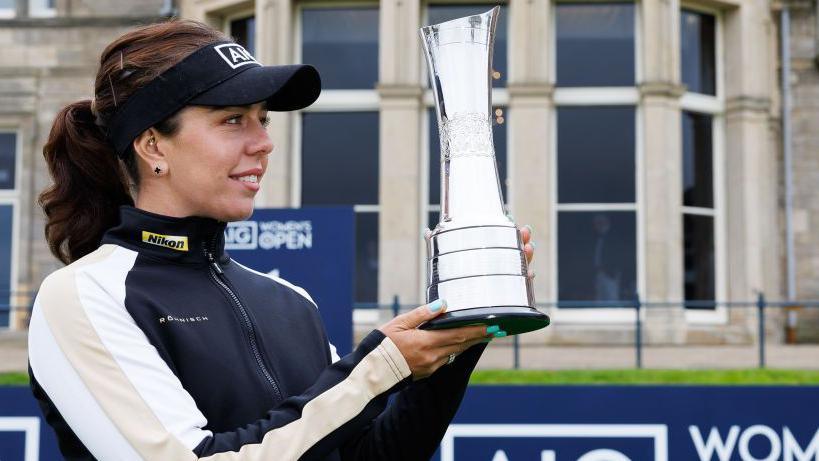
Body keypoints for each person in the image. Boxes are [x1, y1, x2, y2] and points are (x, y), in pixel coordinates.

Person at [27, 19, 535, 461]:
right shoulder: (84, 295)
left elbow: (363, 454)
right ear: (153, 144)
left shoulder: (291, 302)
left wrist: (458, 337)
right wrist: (380, 367)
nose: (264, 141)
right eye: (232, 119)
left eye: (262, 119)